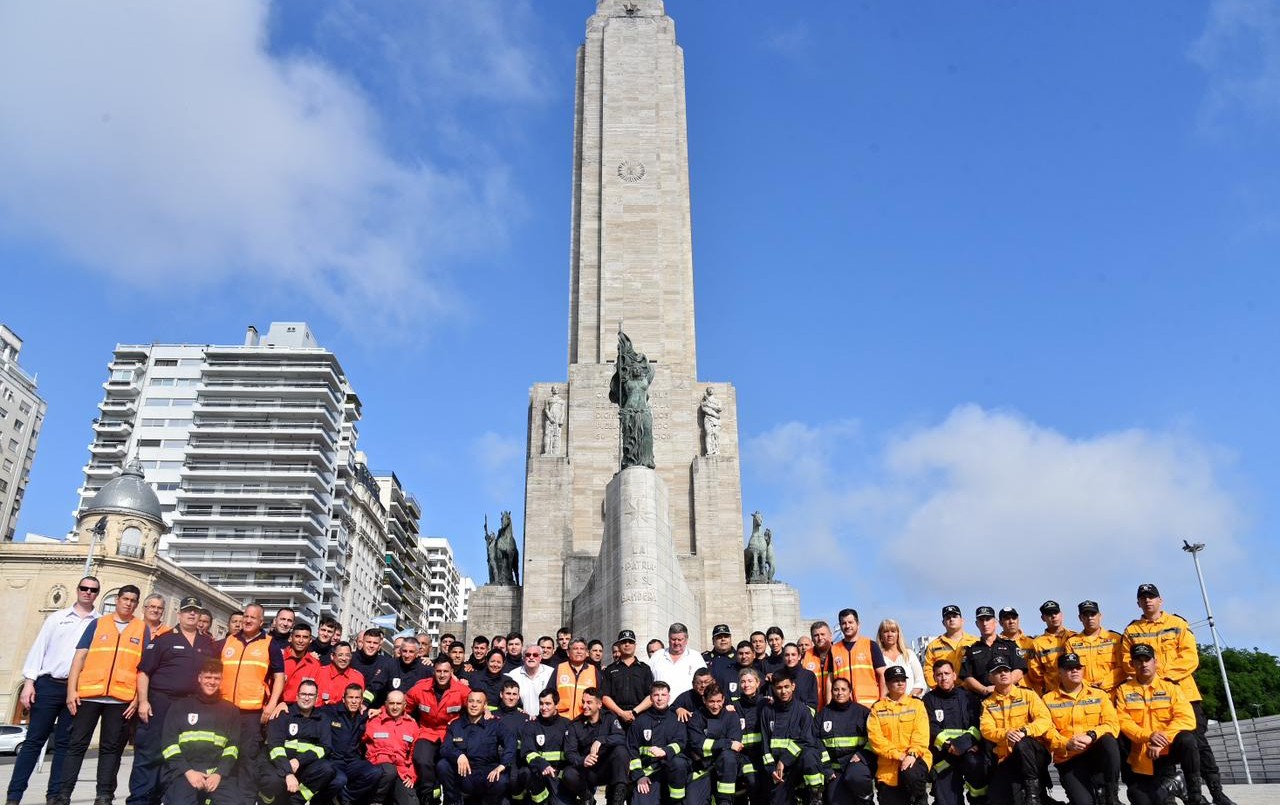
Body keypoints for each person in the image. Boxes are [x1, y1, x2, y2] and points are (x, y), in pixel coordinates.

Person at [1122, 583, 1232, 805]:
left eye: (1151, 597)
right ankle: (1172, 789)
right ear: (1138, 603)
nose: (1148, 601)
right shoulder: (1132, 631)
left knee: (1196, 743)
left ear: (1160, 600)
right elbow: (1126, 662)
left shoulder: (1177, 623)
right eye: (1143, 598)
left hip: (1183, 694)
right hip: (1149, 698)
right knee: (1160, 741)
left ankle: (1215, 792)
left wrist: (1160, 676)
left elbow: (1190, 657)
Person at [7, 574, 99, 805]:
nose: (88, 592)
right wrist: (29, 682)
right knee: (33, 742)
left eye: (93, 590)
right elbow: (39, 649)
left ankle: (54, 797)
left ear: (97, 594)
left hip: (76, 690)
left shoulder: (99, 623)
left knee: (64, 745)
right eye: (84, 588)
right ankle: (14, 796)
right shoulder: (57, 618)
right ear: (78, 590)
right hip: (48, 684)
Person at [58, 584, 148, 805]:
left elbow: (144, 667)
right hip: (88, 695)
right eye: (125, 598)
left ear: (137, 604)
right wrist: (71, 691)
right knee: (77, 745)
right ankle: (63, 794)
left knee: (111, 749)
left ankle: (104, 795)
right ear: (117, 600)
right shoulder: (97, 624)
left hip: (120, 699)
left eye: (133, 600)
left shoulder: (141, 628)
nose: (128, 603)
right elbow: (79, 658)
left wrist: (137, 699)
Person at [128, 595, 217, 805]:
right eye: (187, 610)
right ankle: (139, 800)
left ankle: (164, 798)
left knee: (179, 756)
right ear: (179, 614)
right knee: (151, 754)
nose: (192, 614)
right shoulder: (164, 640)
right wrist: (143, 701)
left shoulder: (207, 644)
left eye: (195, 611)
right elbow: (143, 672)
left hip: (190, 708)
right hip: (161, 703)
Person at [1115, 643, 1203, 805]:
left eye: (1147, 660)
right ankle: (1172, 785)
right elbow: (1123, 721)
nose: (1143, 664)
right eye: (1138, 660)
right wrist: (1149, 737)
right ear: (1132, 664)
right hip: (1143, 755)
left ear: (1155, 662)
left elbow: (1187, 718)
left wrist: (1162, 739)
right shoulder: (1123, 690)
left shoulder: (1171, 687)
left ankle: (1194, 794)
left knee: (1188, 739)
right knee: (1139, 798)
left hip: (1167, 751)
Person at [218, 601, 285, 801]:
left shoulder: (269, 643)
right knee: (223, 756)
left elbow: (279, 677)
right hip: (225, 710)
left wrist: (272, 704)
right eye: (245, 616)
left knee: (248, 759)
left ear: (261, 621)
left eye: (252, 618)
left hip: (252, 713)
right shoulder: (228, 641)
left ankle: (246, 799)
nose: (247, 621)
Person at [1040, 652, 1122, 805]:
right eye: (1069, 668)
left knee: (1109, 741)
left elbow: (1112, 724)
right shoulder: (1047, 699)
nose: (1075, 671)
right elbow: (1046, 731)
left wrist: (1091, 735)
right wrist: (1066, 743)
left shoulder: (1100, 695)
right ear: (1060, 672)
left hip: (1095, 754)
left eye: (1077, 667)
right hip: (1069, 758)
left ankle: (1111, 795)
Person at [158, 658, 241, 805]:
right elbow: (168, 744)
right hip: (185, 772)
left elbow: (233, 747)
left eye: (216, 678)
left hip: (217, 774)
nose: (212, 682)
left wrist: (219, 773)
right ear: (199, 678)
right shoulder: (180, 706)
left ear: (221, 680)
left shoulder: (231, 710)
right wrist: (188, 772)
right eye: (208, 677)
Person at [979, 657, 1052, 805]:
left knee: (1022, 743)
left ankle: (1033, 795)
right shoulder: (987, 703)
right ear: (990, 678)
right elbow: (986, 729)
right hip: (1008, 757)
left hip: (1034, 753)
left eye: (1006, 670)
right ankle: (1042, 796)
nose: (1003, 674)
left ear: (1012, 673)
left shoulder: (1028, 695)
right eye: (998, 672)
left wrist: (1024, 731)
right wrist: (1006, 734)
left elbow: (1044, 720)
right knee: (996, 799)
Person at [405, 655, 472, 804]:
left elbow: (476, 706)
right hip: (427, 731)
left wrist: (487, 713)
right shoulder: (421, 688)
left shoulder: (461, 690)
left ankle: (453, 797)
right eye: (438, 671)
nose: (442, 675)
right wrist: (381, 711)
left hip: (451, 734)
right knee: (421, 759)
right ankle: (429, 795)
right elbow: (403, 706)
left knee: (447, 764)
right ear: (433, 671)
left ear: (451, 672)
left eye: (445, 671)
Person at [264, 678, 340, 805]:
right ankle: (265, 801)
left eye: (311, 695)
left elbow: (325, 747)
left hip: (304, 765)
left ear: (316, 698)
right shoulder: (283, 714)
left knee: (328, 769)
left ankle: (297, 801)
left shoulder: (322, 719)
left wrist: (299, 760)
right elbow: (275, 746)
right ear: (297, 695)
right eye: (303, 694)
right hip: (280, 763)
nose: (306, 698)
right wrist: (288, 772)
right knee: (272, 781)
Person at [922, 660, 985, 805]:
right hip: (944, 757)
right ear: (934, 677)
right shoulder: (928, 700)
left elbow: (976, 725)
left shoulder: (969, 697)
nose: (943, 678)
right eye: (939, 675)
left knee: (978, 772)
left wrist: (964, 745)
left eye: (946, 673)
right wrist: (948, 745)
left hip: (969, 752)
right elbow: (931, 727)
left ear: (954, 675)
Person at [437, 690, 516, 805]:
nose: (474, 705)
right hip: (464, 774)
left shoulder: (494, 724)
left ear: (485, 706)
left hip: (487, 773)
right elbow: (445, 748)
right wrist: (458, 755)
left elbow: (511, 741)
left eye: (478, 702)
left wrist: (503, 765)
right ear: (466, 703)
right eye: (471, 701)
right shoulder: (456, 725)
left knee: (502, 779)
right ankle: (454, 801)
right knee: (443, 765)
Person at [866, 665, 930, 805]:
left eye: (903, 680)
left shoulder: (916, 705)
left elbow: (921, 734)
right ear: (887, 684)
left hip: (915, 759)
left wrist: (911, 754)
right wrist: (899, 756)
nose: (900, 683)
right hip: (889, 767)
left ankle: (919, 798)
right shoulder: (877, 708)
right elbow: (875, 739)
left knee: (911, 775)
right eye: (895, 680)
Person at [761, 669, 824, 805]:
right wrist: (771, 769)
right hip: (778, 769)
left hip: (797, 763)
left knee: (810, 754)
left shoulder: (803, 710)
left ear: (793, 686)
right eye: (779, 688)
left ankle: (815, 795)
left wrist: (784, 760)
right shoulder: (767, 711)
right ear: (773, 688)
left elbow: (807, 739)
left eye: (786, 687)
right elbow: (765, 744)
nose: (783, 691)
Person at [627, 681, 690, 805]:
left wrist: (665, 751)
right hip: (648, 774)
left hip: (671, 773)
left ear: (669, 697)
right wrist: (639, 776)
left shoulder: (676, 719)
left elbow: (681, 743)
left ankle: (677, 801)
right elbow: (632, 751)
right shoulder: (640, 721)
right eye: (656, 695)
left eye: (663, 695)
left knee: (679, 763)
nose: (660, 698)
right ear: (650, 698)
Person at [563, 687, 629, 805]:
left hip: (606, 769)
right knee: (568, 774)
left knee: (621, 751)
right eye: (583, 702)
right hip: (588, 771)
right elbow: (569, 753)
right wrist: (583, 760)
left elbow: (621, 737)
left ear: (599, 704)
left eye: (589, 702)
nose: (584, 706)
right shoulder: (575, 725)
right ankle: (587, 798)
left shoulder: (610, 718)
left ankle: (617, 800)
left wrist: (601, 740)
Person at [818, 677, 874, 805]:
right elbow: (816, 742)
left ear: (850, 691)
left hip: (857, 763)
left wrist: (861, 755)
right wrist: (826, 768)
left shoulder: (862, 712)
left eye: (843, 689)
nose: (840, 693)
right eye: (836, 689)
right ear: (831, 692)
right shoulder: (823, 714)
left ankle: (867, 801)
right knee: (833, 800)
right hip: (834, 769)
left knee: (855, 778)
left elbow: (874, 738)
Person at [324, 683, 381, 805]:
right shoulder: (331, 712)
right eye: (351, 697)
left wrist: (381, 710)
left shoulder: (364, 715)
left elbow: (392, 711)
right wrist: (283, 704)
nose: (354, 701)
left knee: (375, 772)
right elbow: (309, 708)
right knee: (340, 779)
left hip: (352, 761)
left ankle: (345, 797)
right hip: (334, 761)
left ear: (362, 700)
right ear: (344, 699)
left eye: (357, 698)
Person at [687, 684, 742, 805]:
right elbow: (697, 744)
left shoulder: (731, 716)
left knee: (728, 757)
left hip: (725, 769)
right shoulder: (695, 718)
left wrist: (713, 746)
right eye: (711, 701)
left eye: (718, 701)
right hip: (701, 767)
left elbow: (736, 744)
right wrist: (727, 743)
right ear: (704, 700)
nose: (716, 705)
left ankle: (725, 801)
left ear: (723, 700)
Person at [363, 689, 419, 805]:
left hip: (401, 771)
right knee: (389, 771)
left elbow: (414, 753)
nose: (394, 707)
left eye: (398, 704)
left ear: (404, 705)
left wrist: (412, 775)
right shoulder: (373, 720)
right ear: (385, 704)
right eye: (391, 703)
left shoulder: (412, 725)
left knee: (411, 803)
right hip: (377, 769)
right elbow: (360, 745)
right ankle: (375, 801)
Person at [518, 690, 574, 805]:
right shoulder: (531, 725)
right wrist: (543, 765)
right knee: (525, 772)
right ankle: (540, 800)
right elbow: (528, 752)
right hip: (538, 774)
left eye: (548, 704)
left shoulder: (567, 725)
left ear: (556, 705)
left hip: (558, 775)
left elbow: (572, 753)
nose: (543, 707)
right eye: (541, 703)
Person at [960, 605, 1027, 696]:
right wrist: (984, 689)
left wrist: (1002, 687)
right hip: (982, 698)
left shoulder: (1010, 645)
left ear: (995, 622)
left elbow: (1019, 670)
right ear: (977, 624)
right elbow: (967, 676)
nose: (985, 623)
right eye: (981, 620)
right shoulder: (971, 649)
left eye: (988, 619)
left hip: (1009, 697)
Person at [828, 609, 886, 708]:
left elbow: (883, 674)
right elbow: (830, 680)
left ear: (858, 624)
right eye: (843, 623)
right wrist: (829, 705)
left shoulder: (870, 645)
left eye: (850, 622)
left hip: (870, 705)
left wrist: (883, 701)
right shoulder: (834, 649)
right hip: (843, 706)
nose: (847, 626)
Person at [1064, 600, 1125, 693]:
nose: (1090, 618)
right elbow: (1070, 669)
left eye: (1093, 614)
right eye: (1085, 615)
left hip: (1111, 693)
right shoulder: (1071, 642)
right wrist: (1087, 686)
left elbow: (1123, 667)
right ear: (1080, 618)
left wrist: (1104, 684)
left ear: (1100, 616)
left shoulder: (1115, 639)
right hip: (1084, 694)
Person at [601, 629, 653, 726]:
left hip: (640, 717)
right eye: (624, 642)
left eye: (630, 642)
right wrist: (621, 713)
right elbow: (605, 697)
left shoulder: (644, 669)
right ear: (619, 645)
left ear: (635, 645)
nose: (627, 644)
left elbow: (650, 696)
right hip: (615, 719)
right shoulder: (610, 669)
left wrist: (634, 712)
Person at [734, 669, 770, 805]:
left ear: (758, 683)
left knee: (766, 790)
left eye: (750, 681)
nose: (746, 685)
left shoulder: (767, 703)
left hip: (764, 755)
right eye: (743, 681)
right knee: (753, 784)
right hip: (745, 756)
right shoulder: (735, 706)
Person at [922, 605, 978, 690]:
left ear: (962, 620)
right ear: (943, 622)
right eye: (948, 617)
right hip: (944, 692)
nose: (951, 619)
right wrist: (937, 687)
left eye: (955, 616)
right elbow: (928, 668)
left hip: (971, 690)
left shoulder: (975, 642)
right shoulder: (934, 645)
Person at [650, 622, 706, 700]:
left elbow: (704, 683)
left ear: (686, 640)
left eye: (680, 639)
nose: (676, 643)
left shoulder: (696, 657)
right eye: (673, 639)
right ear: (668, 639)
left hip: (688, 708)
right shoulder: (657, 656)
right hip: (661, 708)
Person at [1030, 600, 1075, 696]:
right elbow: (1035, 672)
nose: (1053, 616)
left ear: (1061, 614)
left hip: (1077, 691)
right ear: (1043, 618)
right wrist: (1049, 686)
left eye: (1056, 612)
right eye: (1049, 614)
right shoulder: (1037, 643)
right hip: (1053, 693)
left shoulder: (1075, 637)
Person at [876, 619, 924, 699]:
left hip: (911, 704)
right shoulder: (878, 657)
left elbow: (920, 681)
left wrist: (908, 699)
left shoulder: (909, 654)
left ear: (898, 634)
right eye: (886, 631)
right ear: (881, 635)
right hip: (887, 705)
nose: (890, 634)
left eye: (893, 631)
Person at [279, 621, 323, 707]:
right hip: (277, 707)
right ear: (291, 638)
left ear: (310, 640)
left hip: (302, 711)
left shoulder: (315, 665)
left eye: (305, 637)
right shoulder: (279, 658)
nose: (301, 641)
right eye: (297, 636)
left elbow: (318, 694)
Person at [555, 638, 601, 720]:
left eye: (582, 649)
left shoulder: (593, 670)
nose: (579, 652)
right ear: (568, 652)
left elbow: (600, 697)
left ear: (586, 653)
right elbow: (550, 694)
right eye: (575, 649)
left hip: (585, 720)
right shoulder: (560, 668)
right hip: (561, 720)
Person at [508, 641, 555, 714]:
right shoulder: (513, 675)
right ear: (523, 657)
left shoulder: (551, 673)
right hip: (522, 719)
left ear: (540, 657)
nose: (531, 657)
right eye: (528, 655)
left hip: (544, 719)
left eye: (535, 655)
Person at [352, 628, 393, 708]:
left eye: (375, 643)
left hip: (374, 709)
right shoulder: (350, 659)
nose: (371, 646)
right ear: (362, 642)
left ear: (379, 646)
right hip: (349, 706)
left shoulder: (386, 663)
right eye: (368, 642)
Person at [316, 641, 365, 707]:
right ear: (332, 656)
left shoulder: (357, 677)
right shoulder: (320, 673)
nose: (344, 658)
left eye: (347, 655)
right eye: (340, 655)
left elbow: (359, 704)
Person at [800, 621, 833, 711]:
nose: (820, 638)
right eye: (816, 635)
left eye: (823, 634)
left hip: (835, 708)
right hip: (813, 708)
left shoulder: (838, 652)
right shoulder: (806, 655)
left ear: (830, 635)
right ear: (812, 638)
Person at [780, 643, 820, 711]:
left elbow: (812, 704)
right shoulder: (778, 676)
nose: (790, 658)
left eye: (793, 655)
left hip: (803, 718)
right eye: (787, 655)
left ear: (799, 656)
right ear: (783, 657)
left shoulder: (809, 676)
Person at [702, 624, 738, 696]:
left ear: (730, 639)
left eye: (726, 636)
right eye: (719, 637)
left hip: (736, 703)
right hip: (712, 702)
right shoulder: (704, 658)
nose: (723, 639)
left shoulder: (739, 657)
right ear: (713, 641)